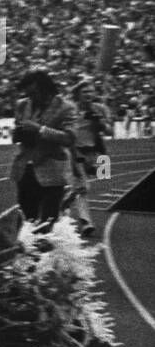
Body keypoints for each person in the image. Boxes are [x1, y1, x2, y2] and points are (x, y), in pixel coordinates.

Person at [9, 69, 76, 227]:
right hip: (25, 167)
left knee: (49, 220)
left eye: (33, 93)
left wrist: (39, 129)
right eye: (27, 94)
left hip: (54, 168)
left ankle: (103, 179)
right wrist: (18, 133)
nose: (30, 98)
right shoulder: (23, 105)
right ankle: (24, 248)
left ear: (46, 90)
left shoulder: (66, 107)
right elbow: (18, 131)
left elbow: (70, 138)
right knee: (26, 218)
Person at [65, 78, 111, 237]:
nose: (88, 94)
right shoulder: (71, 110)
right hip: (75, 152)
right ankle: (86, 222)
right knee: (84, 187)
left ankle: (64, 201)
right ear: (78, 94)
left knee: (101, 177)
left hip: (95, 152)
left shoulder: (100, 108)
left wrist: (99, 122)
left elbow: (110, 132)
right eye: (84, 92)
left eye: (91, 91)